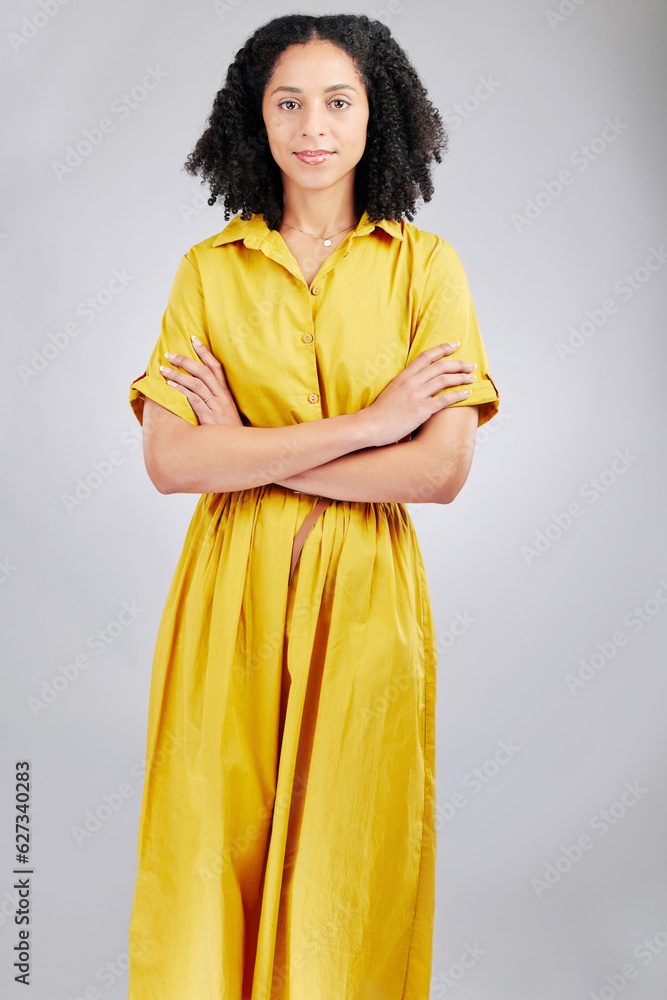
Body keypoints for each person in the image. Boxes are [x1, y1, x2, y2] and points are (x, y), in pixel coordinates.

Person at [126, 12, 500, 1000]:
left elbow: (440, 471)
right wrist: (371, 423)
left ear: (380, 119)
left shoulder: (429, 268)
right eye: (287, 102)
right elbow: (170, 459)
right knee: (210, 848)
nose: (312, 126)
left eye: (339, 101)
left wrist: (243, 452)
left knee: (350, 858)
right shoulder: (207, 272)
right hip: (226, 602)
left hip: (366, 601)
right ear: (256, 119)